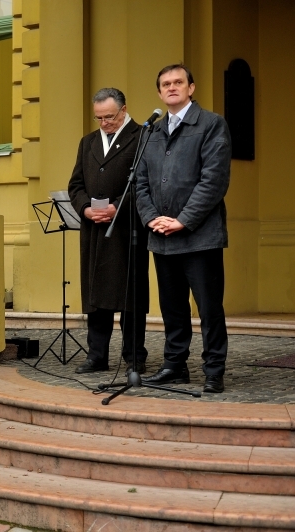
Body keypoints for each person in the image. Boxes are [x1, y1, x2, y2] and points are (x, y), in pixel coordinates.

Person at [135, 64, 231, 394]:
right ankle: (175, 366)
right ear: (160, 93)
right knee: (172, 308)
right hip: (162, 237)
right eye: (165, 84)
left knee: (208, 308)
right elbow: (141, 183)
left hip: (200, 237)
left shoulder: (211, 124)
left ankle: (214, 369)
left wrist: (183, 220)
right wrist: (151, 219)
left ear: (191, 88)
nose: (172, 87)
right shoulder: (151, 131)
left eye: (179, 82)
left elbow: (213, 181)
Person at [68, 88, 149, 375]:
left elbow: (144, 183)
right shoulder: (87, 142)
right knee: (95, 295)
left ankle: (134, 357)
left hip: (126, 230)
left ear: (124, 110)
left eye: (110, 117)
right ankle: (97, 355)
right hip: (94, 231)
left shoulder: (142, 137)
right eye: (99, 117)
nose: (104, 123)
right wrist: (85, 209)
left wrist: (117, 206)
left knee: (130, 297)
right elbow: (75, 184)